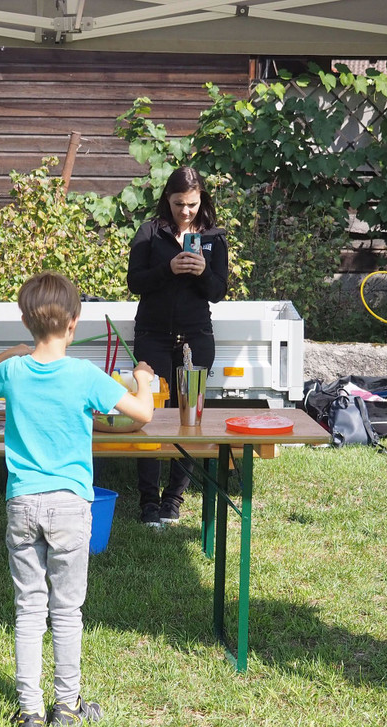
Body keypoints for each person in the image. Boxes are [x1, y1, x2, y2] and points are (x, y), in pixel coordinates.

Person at [0, 270, 155, 727]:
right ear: (73, 323)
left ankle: (29, 713)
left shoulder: (12, 372)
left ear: (26, 321)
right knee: (67, 611)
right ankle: (67, 707)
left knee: (29, 610)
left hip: (22, 502)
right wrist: (143, 379)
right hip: (70, 504)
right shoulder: (85, 375)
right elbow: (143, 412)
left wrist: (9, 353)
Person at [126, 166, 228, 527]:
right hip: (153, 335)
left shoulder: (214, 236)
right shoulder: (149, 233)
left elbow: (218, 292)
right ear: (167, 200)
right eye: (178, 204)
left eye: (192, 204)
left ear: (202, 201)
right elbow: (135, 282)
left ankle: (173, 499)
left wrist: (202, 272)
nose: (185, 211)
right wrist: (168, 268)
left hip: (196, 337)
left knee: (189, 420)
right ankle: (148, 501)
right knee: (149, 416)